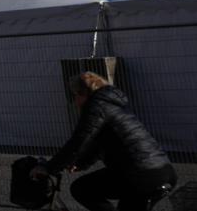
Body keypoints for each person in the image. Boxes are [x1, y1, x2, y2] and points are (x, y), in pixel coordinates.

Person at [32, 72, 176, 211]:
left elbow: (79, 141)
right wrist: (81, 163)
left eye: (75, 95)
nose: (75, 101)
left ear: (83, 93)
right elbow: (99, 144)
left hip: (141, 175)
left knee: (82, 189)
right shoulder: (112, 106)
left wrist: (49, 168)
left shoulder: (96, 107)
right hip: (161, 172)